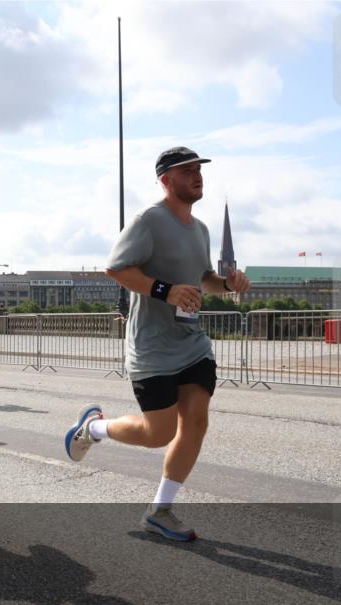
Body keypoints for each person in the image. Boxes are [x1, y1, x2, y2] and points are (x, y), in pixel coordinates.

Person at [64, 147, 250, 541]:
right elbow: (115, 268)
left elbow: (202, 279)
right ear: (166, 180)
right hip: (152, 346)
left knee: (196, 420)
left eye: (199, 170)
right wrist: (164, 291)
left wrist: (228, 284)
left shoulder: (200, 229)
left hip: (191, 342)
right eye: (187, 172)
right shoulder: (148, 221)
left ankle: (160, 510)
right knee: (158, 433)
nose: (197, 177)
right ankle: (94, 428)